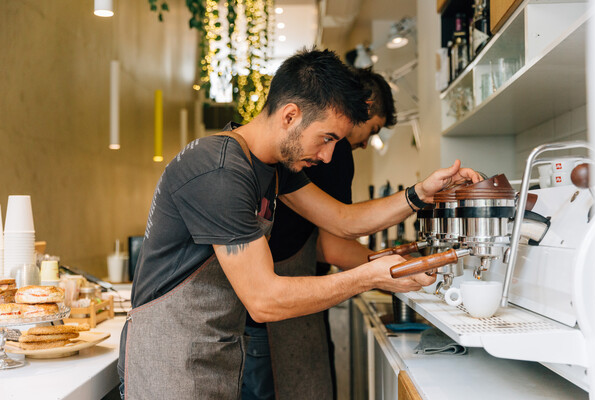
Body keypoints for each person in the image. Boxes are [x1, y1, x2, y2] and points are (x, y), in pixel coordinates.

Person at [118, 48, 480, 400]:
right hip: (171, 357)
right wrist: (369, 276)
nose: (326, 156)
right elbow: (263, 299)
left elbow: (342, 220)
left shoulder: (272, 167)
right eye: (326, 139)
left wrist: (421, 193)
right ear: (290, 115)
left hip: (214, 352)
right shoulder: (220, 170)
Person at [241, 67, 398, 400]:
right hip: (275, 315)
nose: (367, 144)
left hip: (272, 314)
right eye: (372, 129)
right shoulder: (331, 155)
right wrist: (394, 269)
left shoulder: (298, 160)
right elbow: (334, 245)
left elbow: (342, 221)